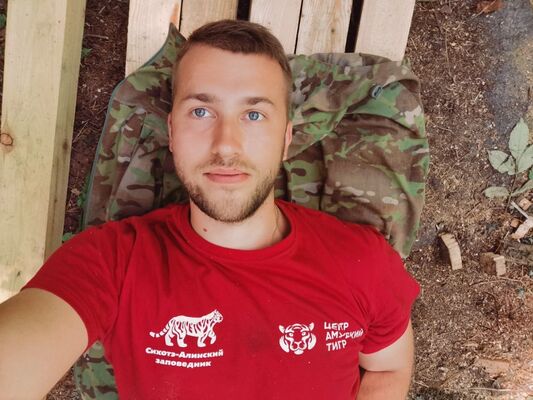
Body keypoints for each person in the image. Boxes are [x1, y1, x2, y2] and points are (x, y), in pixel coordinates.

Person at [0, 20, 419, 399]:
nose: (226, 145)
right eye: (201, 111)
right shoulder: (111, 263)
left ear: (286, 139)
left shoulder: (362, 262)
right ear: (172, 131)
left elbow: (388, 370)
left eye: (254, 114)